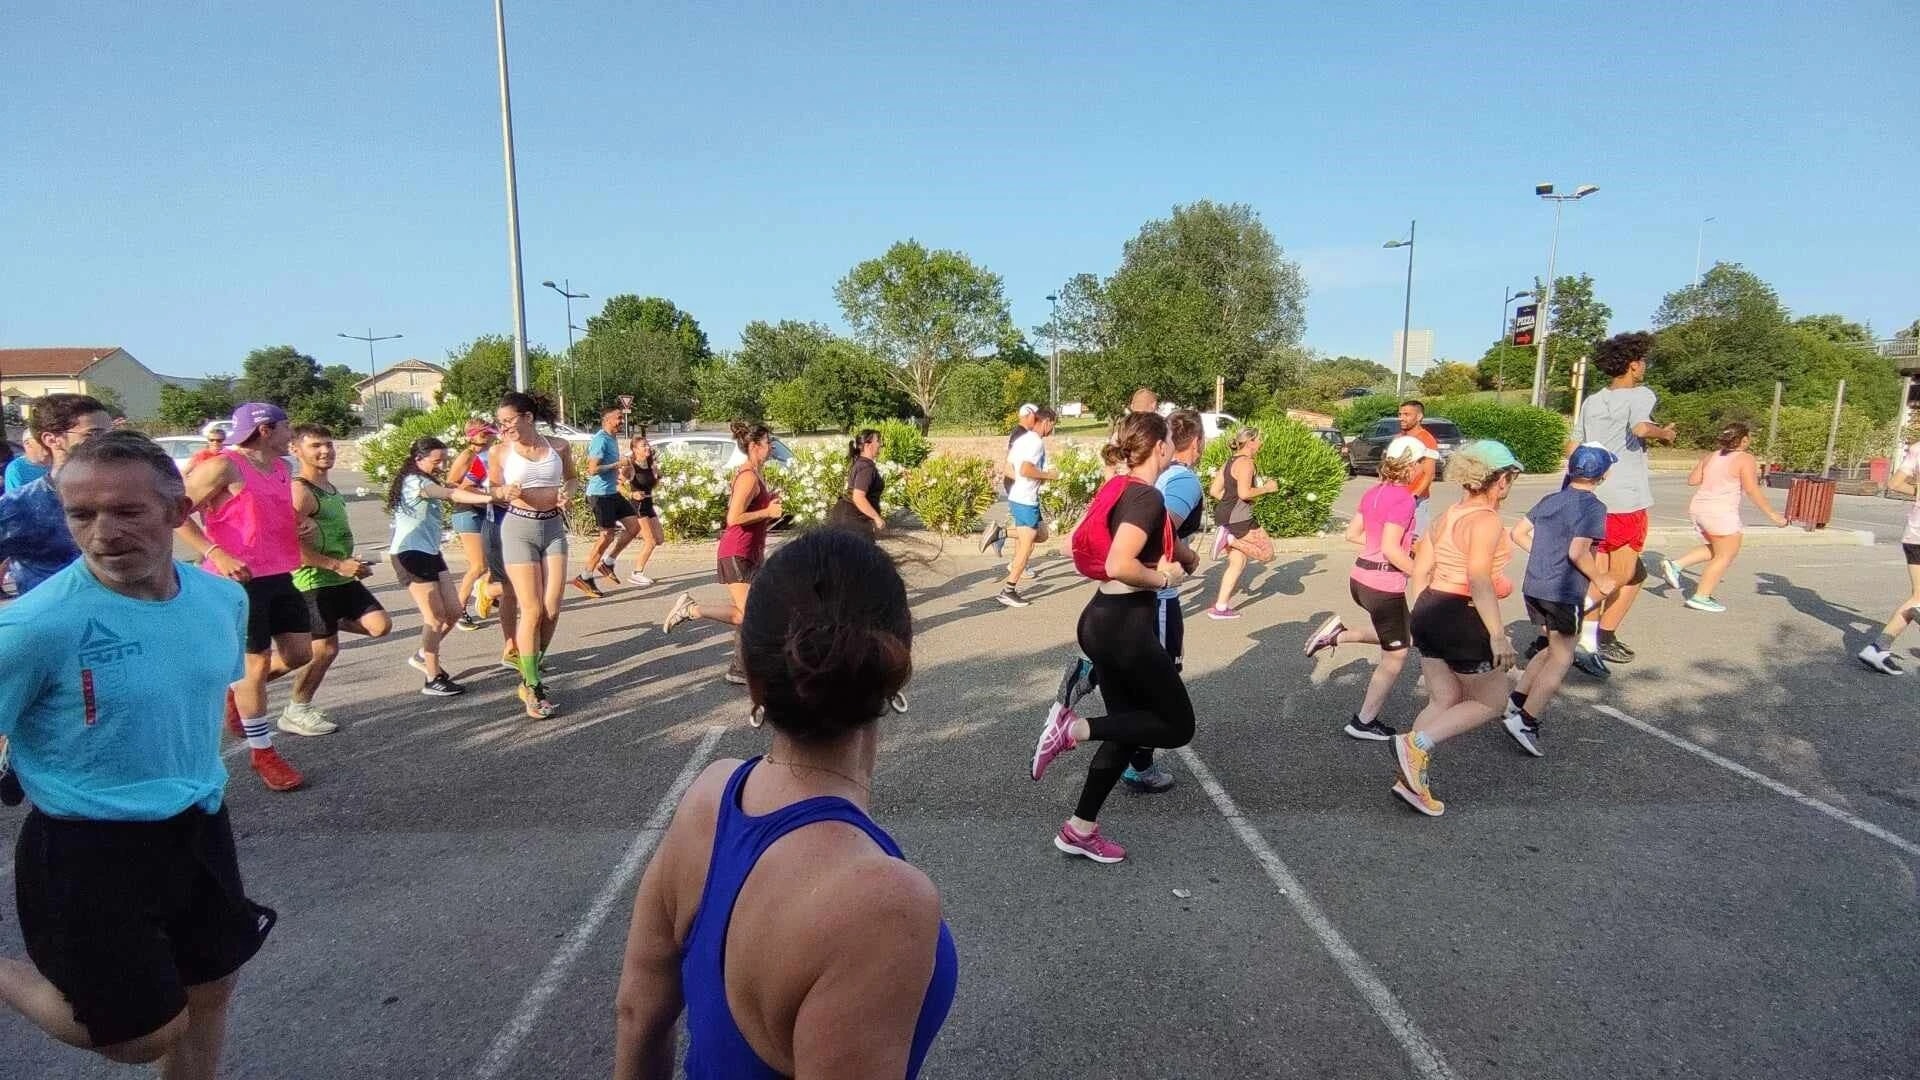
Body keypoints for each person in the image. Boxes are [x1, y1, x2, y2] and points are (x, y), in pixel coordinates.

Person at [612, 529, 954, 1079]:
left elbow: (637, 1015)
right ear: (898, 658)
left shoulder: (710, 797)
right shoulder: (881, 903)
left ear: (751, 672)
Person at [0, 431, 274, 1080]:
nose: (103, 533)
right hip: (86, 846)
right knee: (141, 1038)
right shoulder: (35, 627)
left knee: (210, 992)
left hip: (197, 824)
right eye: (82, 514)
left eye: (127, 512)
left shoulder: (222, 599)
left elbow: (196, 697)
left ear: (178, 514)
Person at [1029, 412, 1198, 863]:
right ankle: (1071, 727)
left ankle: (1079, 829)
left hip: (1105, 618)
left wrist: (1182, 556)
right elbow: (1122, 562)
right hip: (1124, 627)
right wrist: (1164, 581)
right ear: (1161, 446)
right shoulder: (1146, 496)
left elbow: (1111, 545)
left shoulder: (1119, 488)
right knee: (1178, 725)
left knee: (1125, 730)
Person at [175, 403, 308, 792]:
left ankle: (241, 694)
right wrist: (216, 552)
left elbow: (268, 513)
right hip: (237, 580)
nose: (292, 435)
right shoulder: (223, 466)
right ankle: (263, 751)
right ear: (265, 430)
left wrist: (298, 524)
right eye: (288, 427)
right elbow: (175, 512)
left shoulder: (283, 467)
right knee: (254, 664)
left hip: (280, 573)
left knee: (300, 653)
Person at [1390, 441, 1523, 817]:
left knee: (1444, 697)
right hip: (1459, 612)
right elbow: (1478, 578)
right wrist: (1498, 634)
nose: (1510, 484)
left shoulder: (1448, 515)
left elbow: (1420, 571)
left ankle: (1411, 779)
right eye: (1510, 476)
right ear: (1499, 480)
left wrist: (1422, 613)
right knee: (1491, 701)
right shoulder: (1486, 520)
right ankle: (1416, 746)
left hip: (1429, 607)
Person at [1303, 435, 1434, 740]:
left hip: (1360, 579)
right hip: (1383, 584)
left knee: (1402, 636)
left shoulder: (1374, 492)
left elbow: (1354, 534)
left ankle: (1339, 635)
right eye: (1420, 464)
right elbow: (1390, 549)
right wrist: (1421, 573)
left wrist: (1399, 545)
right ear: (1411, 466)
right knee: (1397, 654)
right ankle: (1363, 722)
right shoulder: (1403, 498)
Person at [1568, 332, 1677, 676]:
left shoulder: (1592, 401)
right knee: (1621, 574)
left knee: (1612, 573)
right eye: (1643, 361)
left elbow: (1572, 446)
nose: (1645, 367)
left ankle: (1596, 637)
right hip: (1626, 498)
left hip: (1593, 495)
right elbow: (1641, 428)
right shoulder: (1641, 393)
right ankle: (1569, 627)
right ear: (1633, 364)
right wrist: (1666, 434)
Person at [1502, 445, 1619, 756]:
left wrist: (1543, 555)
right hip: (1563, 591)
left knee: (1550, 647)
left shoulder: (1552, 499)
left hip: (1536, 585)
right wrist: (1599, 578)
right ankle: (1527, 720)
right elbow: (1578, 552)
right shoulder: (1593, 507)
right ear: (1604, 474)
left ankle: (1516, 702)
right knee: (1563, 656)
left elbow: (1519, 533)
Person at [285, 423, 393, 735]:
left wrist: (350, 564)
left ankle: (257, 681)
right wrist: (336, 564)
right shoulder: (300, 490)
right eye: (315, 445)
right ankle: (297, 709)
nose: (325, 451)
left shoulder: (329, 489)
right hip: (312, 581)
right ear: (296, 450)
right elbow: (288, 545)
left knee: (380, 626)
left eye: (328, 444)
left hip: (339, 576)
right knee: (325, 651)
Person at [1120, 407, 1206, 794]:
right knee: (1160, 682)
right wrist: (1186, 557)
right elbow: (1160, 528)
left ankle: (1133, 754)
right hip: (1158, 593)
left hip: (1143, 593)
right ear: (1198, 443)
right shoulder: (1183, 479)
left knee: (1145, 678)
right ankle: (1138, 762)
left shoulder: (1157, 476)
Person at [661, 421, 784, 686]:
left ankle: (740, 670)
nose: (771, 446)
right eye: (767, 442)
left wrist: (768, 505)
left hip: (750, 552)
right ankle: (691, 610)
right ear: (754, 446)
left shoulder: (755, 473)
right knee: (748, 614)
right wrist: (766, 511)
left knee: (754, 611)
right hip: (736, 552)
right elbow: (733, 517)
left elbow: (751, 515)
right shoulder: (749, 476)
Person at [388, 437, 504, 696]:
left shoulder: (428, 479)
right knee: (435, 617)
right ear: (418, 459)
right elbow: (451, 494)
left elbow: (451, 486)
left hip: (430, 552)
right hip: (410, 554)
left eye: (443, 460)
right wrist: (490, 497)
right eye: (436, 461)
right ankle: (432, 676)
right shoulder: (414, 482)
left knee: (453, 611)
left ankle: (422, 654)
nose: (441, 465)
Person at [490, 392, 578, 718]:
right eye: (501, 422)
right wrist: (503, 492)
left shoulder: (558, 446)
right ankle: (532, 685)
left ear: (528, 417)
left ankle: (532, 666)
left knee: (552, 608)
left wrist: (567, 495)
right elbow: (492, 490)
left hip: (552, 528)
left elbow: (571, 479)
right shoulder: (500, 452)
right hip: (518, 529)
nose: (505, 427)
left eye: (509, 420)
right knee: (531, 609)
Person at [1658, 422, 1788, 612]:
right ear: (1744, 440)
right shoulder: (1745, 458)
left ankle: (1676, 565)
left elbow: (1692, 480)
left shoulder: (1711, 456)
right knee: (1726, 555)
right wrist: (1774, 516)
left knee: (1719, 548)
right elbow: (1752, 489)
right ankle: (1701, 596)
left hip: (1699, 508)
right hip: (1720, 512)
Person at [0, 394, 109, 595]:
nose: (106, 442)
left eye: (110, 433)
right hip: (52, 621)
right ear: (51, 439)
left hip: (122, 617)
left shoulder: (125, 494)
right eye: (92, 434)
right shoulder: (19, 506)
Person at [1858, 441, 1920, 674]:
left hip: (1914, 533)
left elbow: (1894, 483)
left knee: (1917, 597)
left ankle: (1878, 649)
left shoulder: (1916, 448)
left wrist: (1917, 490)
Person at [1207, 426, 1279, 619]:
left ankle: (1220, 608)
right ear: (1251, 441)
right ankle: (1228, 539)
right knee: (1267, 554)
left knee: (1237, 563)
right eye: (1260, 439)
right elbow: (1245, 493)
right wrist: (1268, 488)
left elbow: (1214, 491)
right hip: (1240, 519)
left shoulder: (1229, 461)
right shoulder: (1247, 463)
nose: (1261, 443)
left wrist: (1230, 503)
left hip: (1224, 515)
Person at [573, 406, 642, 599]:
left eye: (622, 418)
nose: (621, 421)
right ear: (607, 420)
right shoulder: (600, 439)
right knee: (606, 536)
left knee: (634, 527)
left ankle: (608, 562)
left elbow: (619, 470)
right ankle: (585, 576)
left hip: (612, 492)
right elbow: (592, 469)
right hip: (599, 494)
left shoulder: (612, 438)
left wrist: (626, 470)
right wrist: (616, 465)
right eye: (618, 418)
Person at [998, 406, 1059, 608]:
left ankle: (1001, 532)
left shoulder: (1022, 439)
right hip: (1025, 499)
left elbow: (1008, 468)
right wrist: (1047, 475)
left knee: (1041, 534)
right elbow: (1025, 469)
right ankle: (1009, 590)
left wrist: (1030, 483)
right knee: (1026, 546)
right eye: (1053, 425)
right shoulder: (1035, 443)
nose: (1052, 429)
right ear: (1047, 422)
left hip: (1021, 496)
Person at [447, 420, 500, 631]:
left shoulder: (493, 454)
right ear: (471, 436)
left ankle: (485, 591)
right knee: (477, 565)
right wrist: (476, 489)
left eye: (489, 433)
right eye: (482, 434)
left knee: (493, 559)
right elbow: (450, 484)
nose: (487, 437)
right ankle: (458, 611)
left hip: (484, 510)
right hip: (466, 511)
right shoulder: (467, 456)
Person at [979, 403, 1040, 555]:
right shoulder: (1021, 435)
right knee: (1033, 532)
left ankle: (1015, 563)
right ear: (1027, 415)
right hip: (1019, 488)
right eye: (1036, 416)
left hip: (1017, 487)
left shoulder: (1021, 433)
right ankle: (1000, 534)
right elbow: (1009, 464)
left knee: (1028, 531)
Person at [617, 433, 664, 586]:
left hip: (648, 504)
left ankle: (631, 534)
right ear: (635, 450)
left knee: (659, 539)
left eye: (647, 444)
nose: (647, 447)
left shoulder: (650, 465)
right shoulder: (631, 467)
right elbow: (617, 486)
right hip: (637, 506)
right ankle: (637, 573)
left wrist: (657, 477)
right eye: (643, 445)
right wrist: (631, 493)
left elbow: (651, 484)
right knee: (650, 542)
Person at [828, 427, 889, 534]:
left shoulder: (860, 463)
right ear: (868, 445)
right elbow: (858, 497)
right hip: (853, 521)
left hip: (846, 516)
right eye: (878, 441)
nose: (881, 444)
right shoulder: (866, 468)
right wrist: (876, 518)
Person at [1396, 400, 1442, 536]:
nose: (1401, 418)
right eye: (1400, 414)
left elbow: (1429, 474)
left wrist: (1414, 496)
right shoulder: (1398, 438)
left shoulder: (1427, 440)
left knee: (1415, 543)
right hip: (1396, 498)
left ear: (1419, 417)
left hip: (1416, 501)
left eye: (1406, 414)